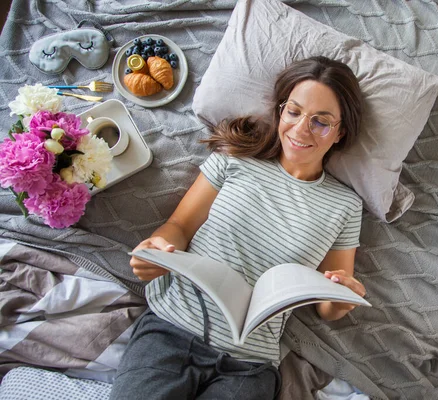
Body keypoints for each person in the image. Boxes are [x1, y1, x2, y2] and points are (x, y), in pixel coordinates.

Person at [109, 56, 366, 400]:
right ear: (280, 111)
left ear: (340, 132)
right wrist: (156, 248)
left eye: (321, 122)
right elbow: (180, 226)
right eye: (294, 111)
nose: (301, 129)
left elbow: (327, 307)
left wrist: (343, 298)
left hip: (250, 363)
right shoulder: (236, 158)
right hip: (174, 327)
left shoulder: (345, 206)